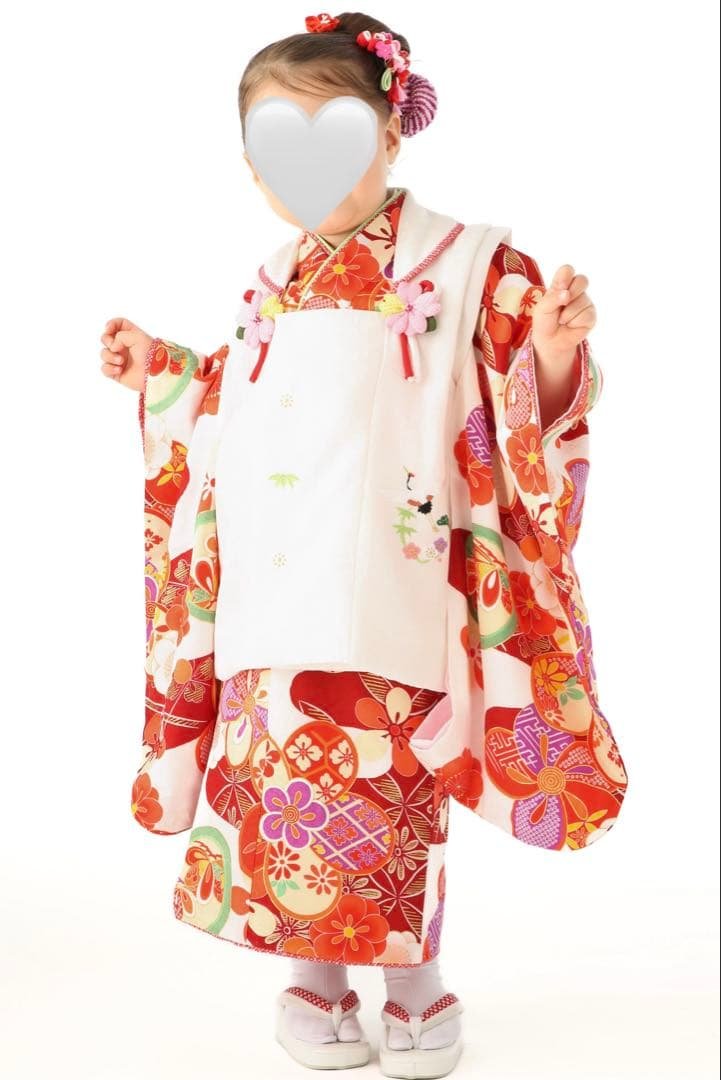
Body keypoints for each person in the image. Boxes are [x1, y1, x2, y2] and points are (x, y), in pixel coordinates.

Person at [100, 11, 628, 1078]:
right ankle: (315, 977)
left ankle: (414, 984)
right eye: (275, 148)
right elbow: (232, 413)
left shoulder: (467, 264)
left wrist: (553, 349)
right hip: (271, 585)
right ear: (252, 167)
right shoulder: (271, 282)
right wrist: (165, 370)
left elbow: (522, 405)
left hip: (397, 576)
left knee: (388, 779)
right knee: (282, 782)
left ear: (390, 133)